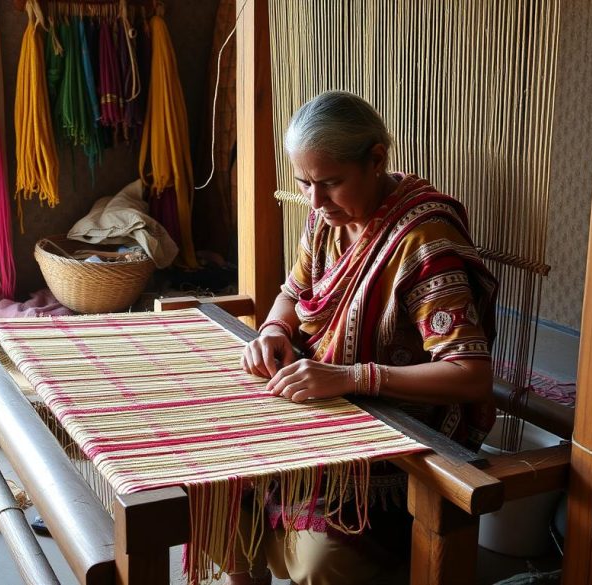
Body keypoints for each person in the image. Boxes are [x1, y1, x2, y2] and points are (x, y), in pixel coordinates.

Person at [231, 91, 499, 585]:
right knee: (218, 486)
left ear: (377, 159)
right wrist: (273, 330)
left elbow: (470, 374)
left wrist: (351, 377)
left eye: (330, 183)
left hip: (392, 448)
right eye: (304, 183)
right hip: (321, 411)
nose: (314, 200)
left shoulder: (423, 243)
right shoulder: (325, 222)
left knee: (319, 560)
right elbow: (291, 293)